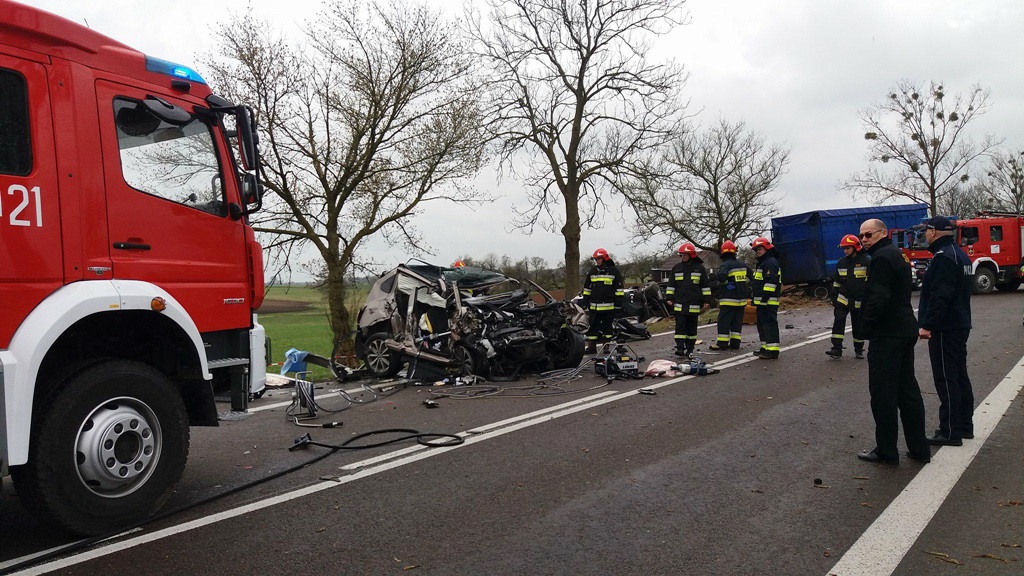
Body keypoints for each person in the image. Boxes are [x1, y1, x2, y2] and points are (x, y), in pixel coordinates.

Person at [856, 218, 930, 465]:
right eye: (862, 236)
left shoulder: (881, 258)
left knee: (882, 394)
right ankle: (919, 448)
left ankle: (886, 451)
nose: (864, 240)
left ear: (883, 233)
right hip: (904, 330)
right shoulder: (898, 254)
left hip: (887, 334)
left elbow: (878, 297)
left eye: (869, 235)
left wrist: (865, 327)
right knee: (907, 390)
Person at [917, 216, 975, 447]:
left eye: (926, 230)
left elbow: (941, 296)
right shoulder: (959, 254)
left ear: (934, 232)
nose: (925, 235)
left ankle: (949, 430)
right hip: (959, 323)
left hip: (946, 328)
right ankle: (964, 426)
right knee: (959, 376)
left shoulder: (943, 259)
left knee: (946, 378)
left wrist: (927, 325)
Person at [827, 234, 871, 359]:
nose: (845, 251)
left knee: (857, 326)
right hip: (843, 299)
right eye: (844, 248)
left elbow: (869, 283)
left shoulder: (866, 261)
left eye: (848, 248)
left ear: (855, 247)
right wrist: (834, 296)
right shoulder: (841, 262)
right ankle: (836, 348)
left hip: (859, 300)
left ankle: (858, 349)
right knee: (838, 322)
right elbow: (837, 281)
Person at [665, 243, 712, 358]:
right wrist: (669, 298)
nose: (683, 257)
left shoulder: (699, 268)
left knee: (691, 328)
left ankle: (690, 349)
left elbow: (705, 286)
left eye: (685, 255)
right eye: (681, 255)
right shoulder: (677, 268)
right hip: (679, 304)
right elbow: (671, 285)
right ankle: (680, 348)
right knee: (680, 327)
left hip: (694, 304)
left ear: (691, 255)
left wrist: (707, 300)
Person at [580, 248, 625, 353]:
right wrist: (585, 302)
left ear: (605, 259)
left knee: (607, 328)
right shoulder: (593, 271)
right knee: (593, 328)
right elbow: (587, 289)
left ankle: (606, 346)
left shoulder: (614, 271)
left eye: (599, 259)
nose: (597, 261)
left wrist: (618, 304)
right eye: (596, 259)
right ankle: (592, 347)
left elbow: (619, 290)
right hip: (594, 307)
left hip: (609, 306)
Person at [709, 240, 751, 351]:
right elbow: (753, 276)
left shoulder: (725, 265)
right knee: (737, 322)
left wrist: (726, 283)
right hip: (741, 300)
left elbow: (722, 277)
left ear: (723, 253)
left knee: (724, 321)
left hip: (728, 299)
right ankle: (735, 343)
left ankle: (722, 343)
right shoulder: (743, 264)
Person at [750, 237, 781, 359]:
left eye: (760, 249)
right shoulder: (763, 263)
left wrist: (764, 298)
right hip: (762, 302)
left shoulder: (770, 262)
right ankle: (765, 347)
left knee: (769, 325)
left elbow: (771, 282)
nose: (758, 251)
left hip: (768, 301)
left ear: (767, 248)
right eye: (757, 250)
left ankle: (772, 350)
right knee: (762, 325)